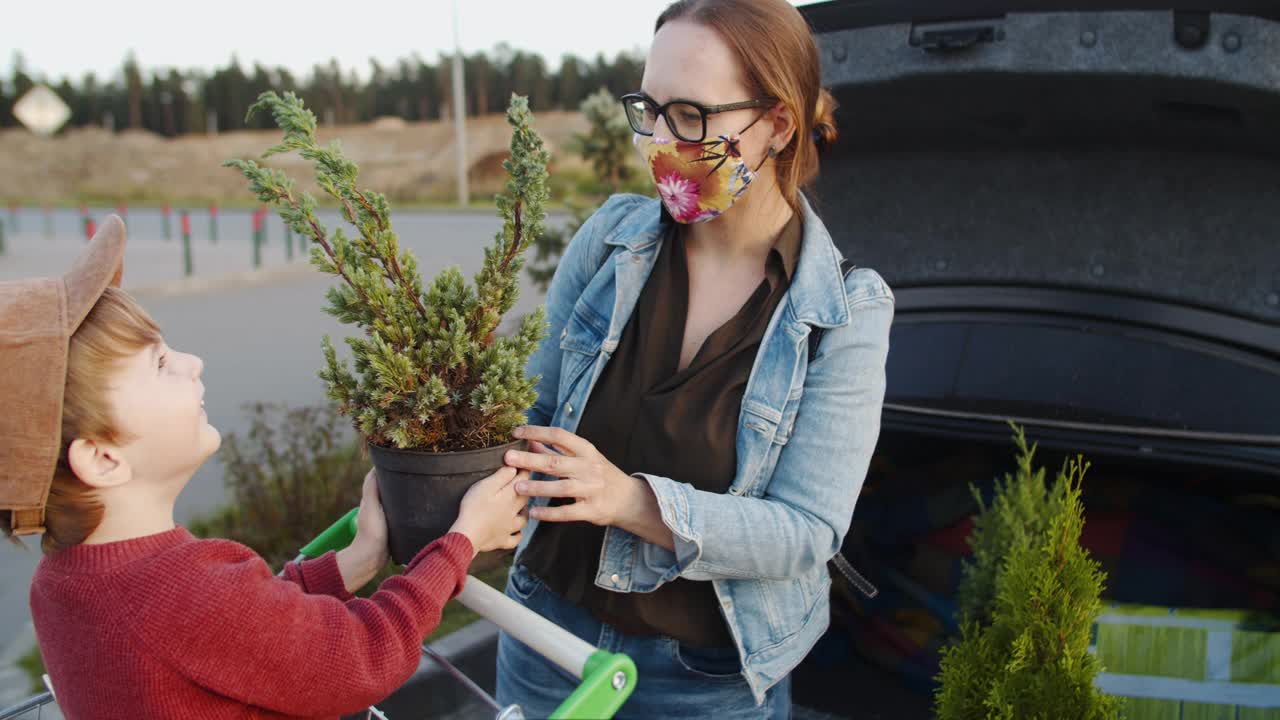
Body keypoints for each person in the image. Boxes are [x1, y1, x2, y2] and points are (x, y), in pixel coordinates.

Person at [495, 0, 895, 717]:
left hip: (703, 683)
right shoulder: (611, 239)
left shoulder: (846, 312)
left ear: (776, 124)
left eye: (690, 116)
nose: (657, 139)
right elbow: (527, 413)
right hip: (541, 637)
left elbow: (807, 531)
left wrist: (631, 501)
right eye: (647, 108)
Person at [0, 216, 529, 719]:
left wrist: (357, 562)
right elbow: (362, 657)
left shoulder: (60, 583)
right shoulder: (184, 592)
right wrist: (460, 540)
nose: (192, 363)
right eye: (159, 363)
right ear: (102, 458)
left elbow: (243, 633)